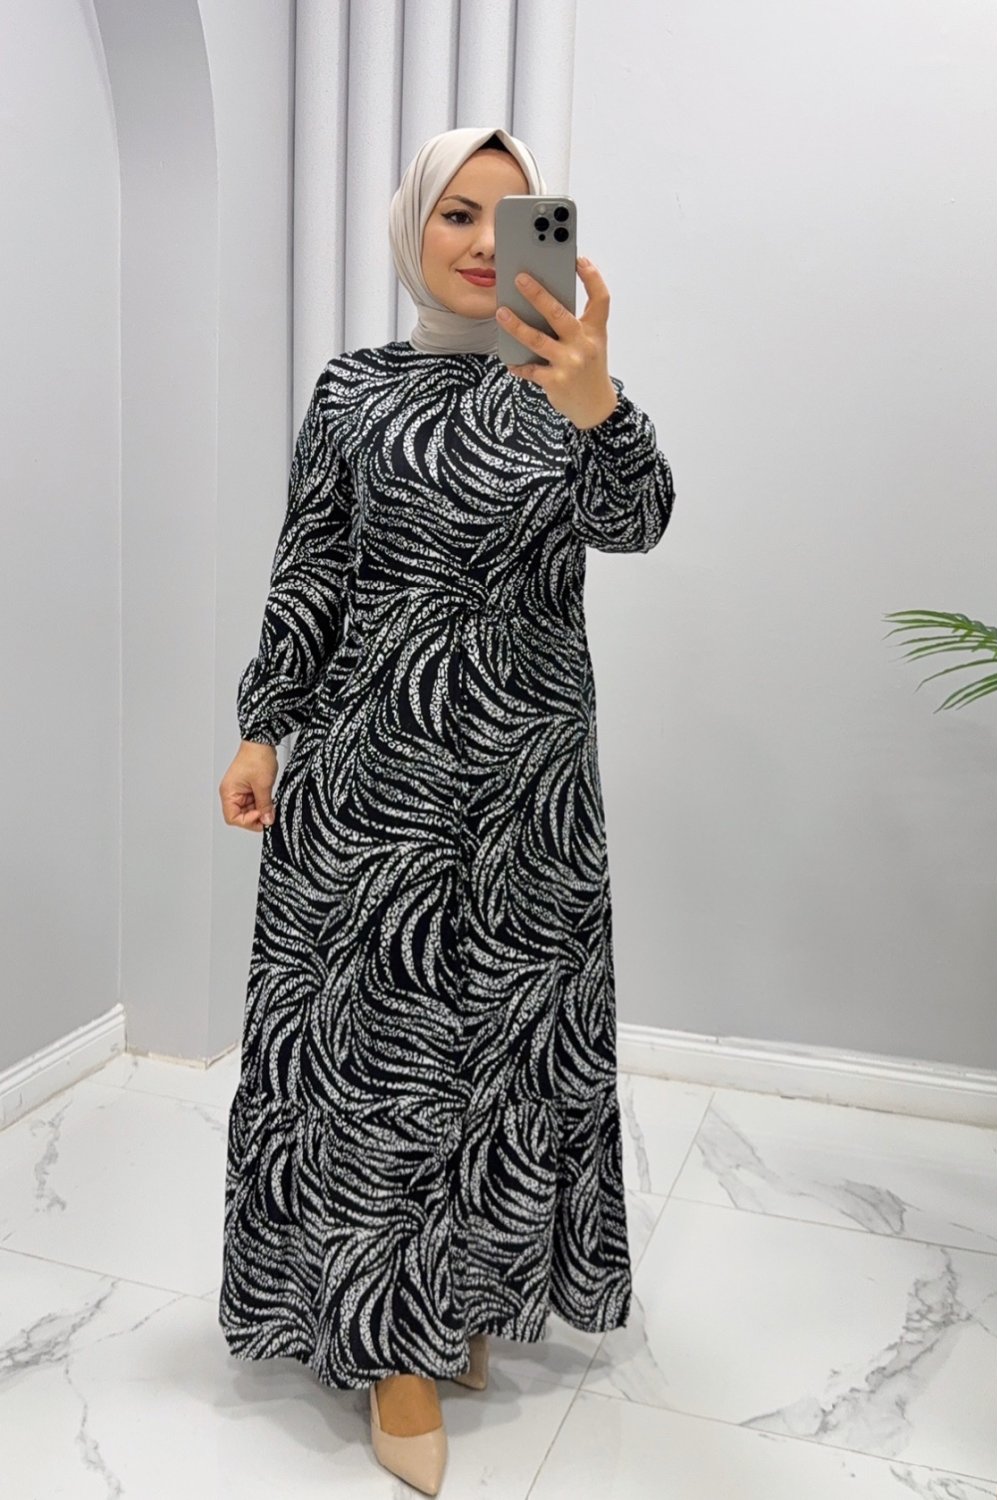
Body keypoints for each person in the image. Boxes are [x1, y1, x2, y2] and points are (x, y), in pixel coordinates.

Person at [217, 124, 675, 1496]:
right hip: (376, 790)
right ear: (412, 230)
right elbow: (312, 567)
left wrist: (600, 405)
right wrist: (262, 725)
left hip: (532, 796)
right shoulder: (354, 391)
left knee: (507, 1051)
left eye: (510, 216)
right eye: (455, 214)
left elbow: (641, 520)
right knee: (382, 1063)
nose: (482, 242)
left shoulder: (568, 386)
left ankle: (466, 1291)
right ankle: (392, 1352)